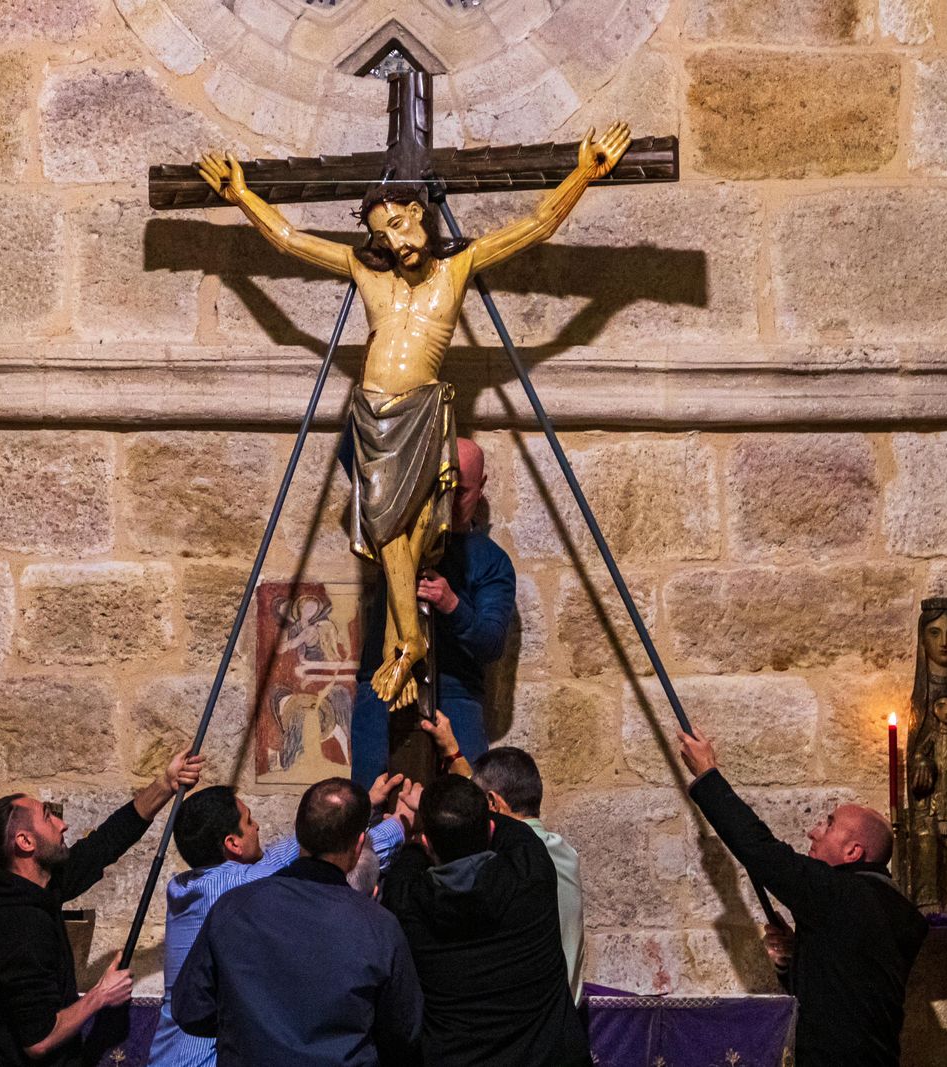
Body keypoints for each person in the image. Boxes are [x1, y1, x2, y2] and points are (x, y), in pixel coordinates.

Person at [199, 124, 631, 706]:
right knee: (387, 530)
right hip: (372, 415)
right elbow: (290, 240)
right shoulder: (367, 272)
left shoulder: (456, 270)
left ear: (420, 213)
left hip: (421, 411)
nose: (396, 241)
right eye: (383, 233)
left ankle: (406, 642)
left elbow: (537, 225)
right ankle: (404, 641)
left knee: (406, 527)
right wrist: (241, 195)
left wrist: (583, 173)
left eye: (400, 224)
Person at [678, 727, 928, 1067]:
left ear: (853, 851)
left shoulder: (842, 894)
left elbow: (760, 851)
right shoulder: (886, 907)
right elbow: (840, 997)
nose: (813, 831)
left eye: (829, 824)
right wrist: (795, 958)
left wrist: (708, 773)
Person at [148, 774, 413, 1067]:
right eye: (249, 821)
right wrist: (399, 823)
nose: (257, 826)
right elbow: (323, 854)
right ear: (233, 843)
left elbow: (306, 843)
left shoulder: (182, 887)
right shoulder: (232, 892)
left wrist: (359, 807)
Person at [0, 748, 204, 1067]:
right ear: (25, 842)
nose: (62, 824)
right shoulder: (16, 926)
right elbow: (39, 1040)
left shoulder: (37, 887)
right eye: (48, 817)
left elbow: (106, 843)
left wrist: (165, 784)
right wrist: (101, 994)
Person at [382, 775, 589, 1067]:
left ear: (428, 843)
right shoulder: (531, 875)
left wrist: (417, 829)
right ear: (490, 829)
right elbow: (515, 832)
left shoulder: (408, 903)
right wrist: (456, 815)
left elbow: (403, 869)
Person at [351, 437, 516, 787]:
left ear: (481, 487)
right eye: (441, 488)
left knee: (464, 804)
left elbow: (491, 643)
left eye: (460, 492)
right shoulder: (393, 534)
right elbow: (362, 451)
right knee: (368, 803)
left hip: (455, 697)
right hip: (383, 688)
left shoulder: (491, 561)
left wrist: (452, 605)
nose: (448, 502)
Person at [469, 745, 586, 1003]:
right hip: (566, 1016)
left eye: (476, 805)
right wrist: (454, 753)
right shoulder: (566, 854)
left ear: (492, 803)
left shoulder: (507, 864)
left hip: (523, 1018)